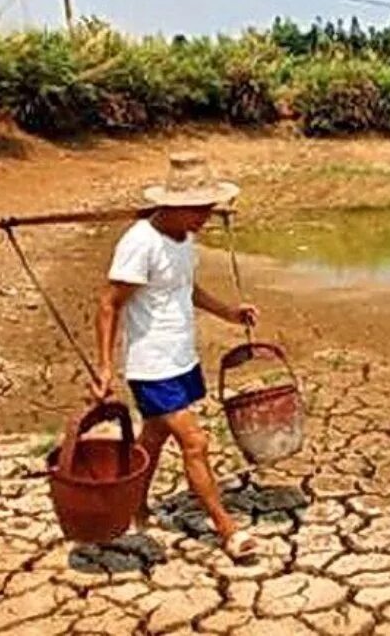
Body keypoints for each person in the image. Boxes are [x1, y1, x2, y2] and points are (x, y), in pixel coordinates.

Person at [91, 153, 259, 560]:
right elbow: (108, 304)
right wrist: (105, 368)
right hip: (152, 367)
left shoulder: (186, 239)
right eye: (199, 209)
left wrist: (229, 313)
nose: (206, 216)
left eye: (209, 207)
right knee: (195, 441)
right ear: (174, 204)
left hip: (181, 358)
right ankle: (227, 530)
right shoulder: (139, 243)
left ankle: (134, 503)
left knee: (154, 435)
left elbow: (186, 288)